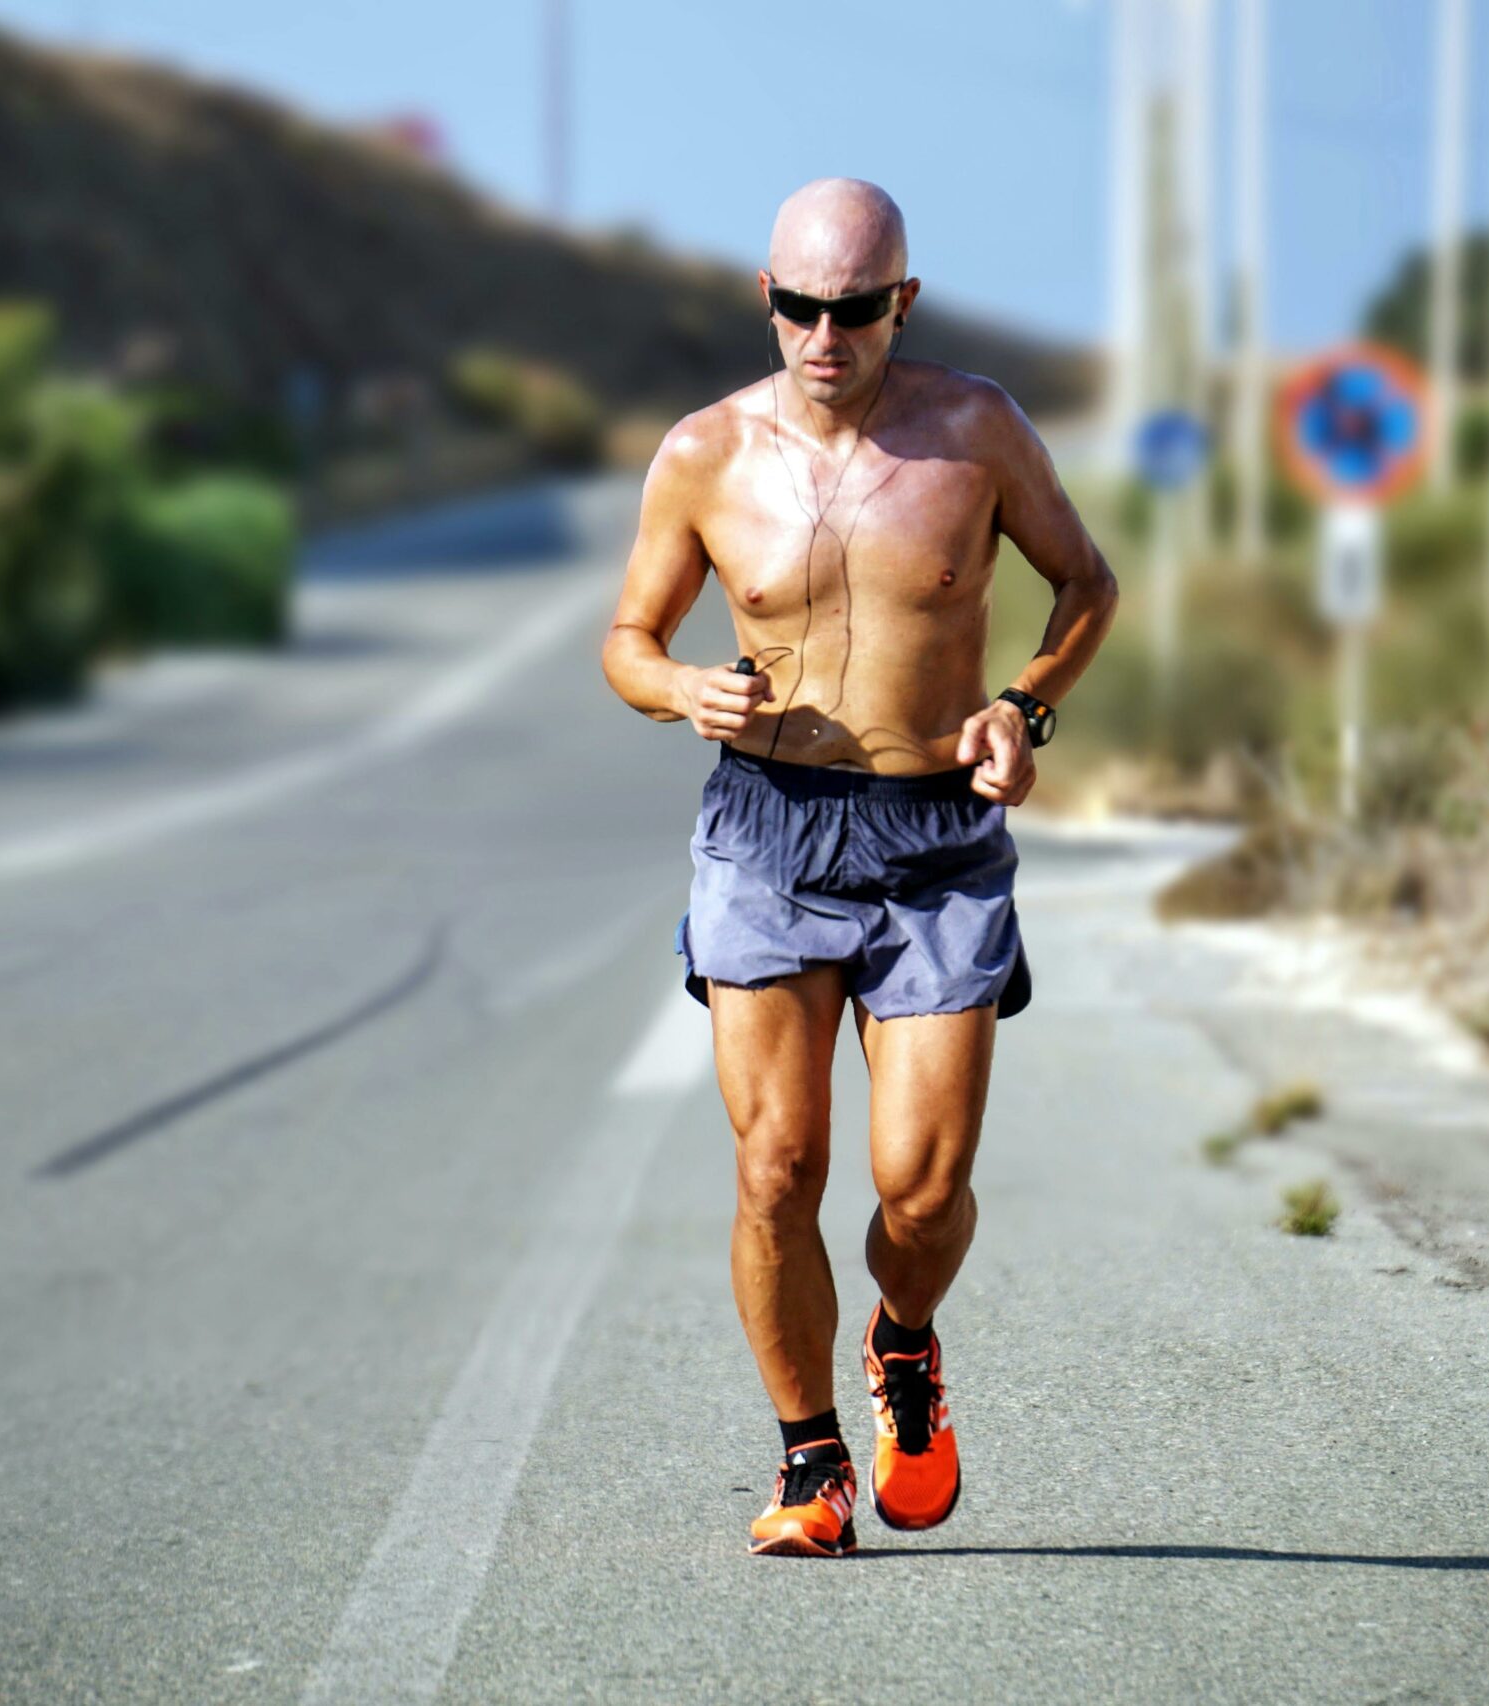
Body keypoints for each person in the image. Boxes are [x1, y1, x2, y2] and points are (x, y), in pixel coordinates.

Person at [596, 179, 1118, 1557]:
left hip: (936, 835)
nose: (824, 335)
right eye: (798, 307)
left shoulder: (978, 431)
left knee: (921, 1190)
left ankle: (902, 1338)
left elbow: (1087, 583)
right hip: (767, 826)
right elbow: (628, 637)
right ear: (764, 298)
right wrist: (676, 690)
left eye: (855, 308)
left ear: (905, 301)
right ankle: (810, 1459)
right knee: (777, 1165)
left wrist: (1026, 706)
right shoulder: (706, 453)